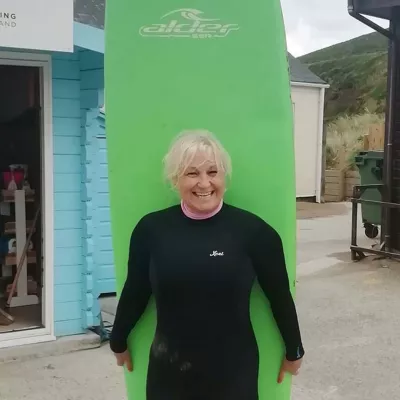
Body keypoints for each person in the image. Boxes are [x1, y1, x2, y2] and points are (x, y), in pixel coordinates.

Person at [110, 130, 305, 400]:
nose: (204, 183)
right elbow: (136, 291)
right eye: (192, 173)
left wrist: (294, 350)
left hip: (233, 373)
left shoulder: (254, 232)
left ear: (224, 176)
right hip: (169, 370)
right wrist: (118, 339)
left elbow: (280, 296)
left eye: (213, 172)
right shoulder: (151, 230)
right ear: (175, 178)